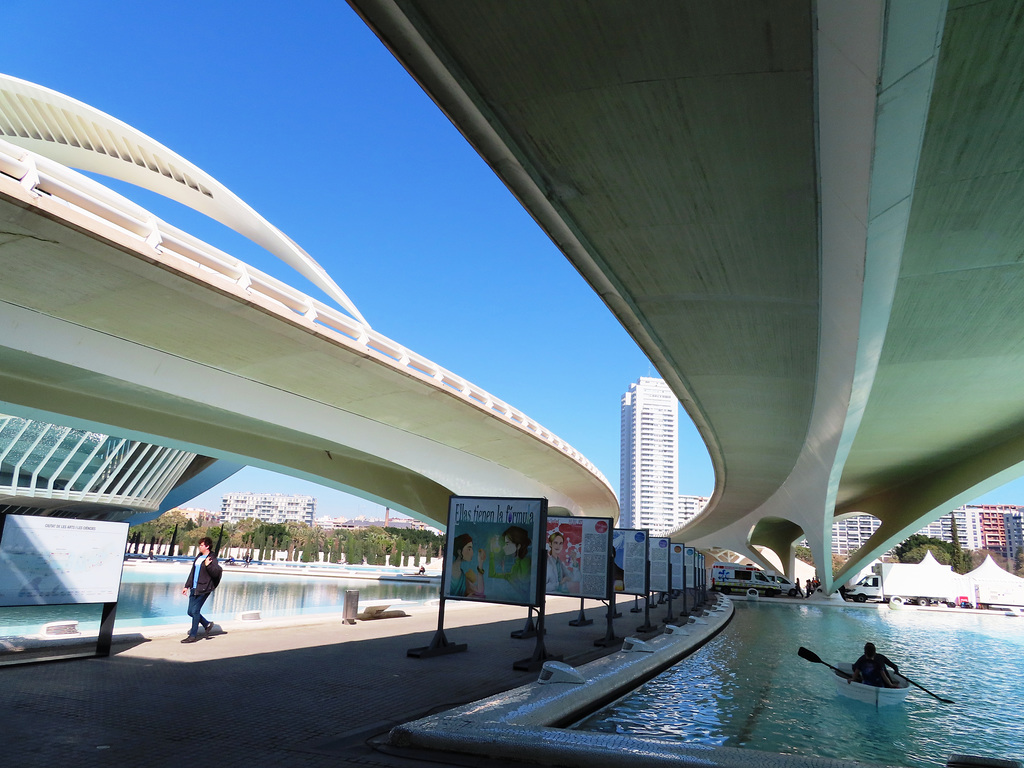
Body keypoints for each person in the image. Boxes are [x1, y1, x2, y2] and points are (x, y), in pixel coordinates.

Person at [180, 537, 223, 643]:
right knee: (190, 611)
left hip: (204, 588)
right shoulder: (199, 557)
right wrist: (187, 586)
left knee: (195, 611)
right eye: (200, 545)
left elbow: (216, 573)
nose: (200, 547)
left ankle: (193, 636)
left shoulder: (212, 558)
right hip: (194, 587)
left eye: (202, 545)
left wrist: (208, 566)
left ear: (207, 546)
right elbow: (193, 572)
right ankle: (207, 624)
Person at [450, 533, 485, 598]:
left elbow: (479, 591)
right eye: (469, 549)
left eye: (471, 549)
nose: (472, 552)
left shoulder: (462, 575)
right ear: (459, 552)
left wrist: (480, 563)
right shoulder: (450, 572)